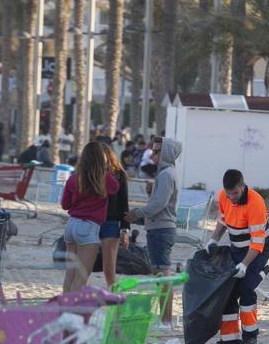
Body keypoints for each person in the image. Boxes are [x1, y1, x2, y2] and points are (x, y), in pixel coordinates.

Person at [204, 169, 269, 344]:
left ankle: (250, 337)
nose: (231, 198)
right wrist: (213, 240)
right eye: (228, 194)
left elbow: (257, 243)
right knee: (228, 290)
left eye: (234, 193)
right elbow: (223, 221)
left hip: (259, 249)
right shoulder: (223, 196)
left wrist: (244, 265)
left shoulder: (256, 203)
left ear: (242, 187)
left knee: (246, 289)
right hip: (237, 247)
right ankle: (229, 339)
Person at [127, 137, 183, 327]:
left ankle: (166, 320)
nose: (152, 154)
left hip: (161, 229)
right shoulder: (165, 173)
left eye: (157, 151)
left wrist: (136, 213)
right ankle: (164, 319)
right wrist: (151, 192)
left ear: (166, 153)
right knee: (161, 275)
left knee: (163, 275)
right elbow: (158, 201)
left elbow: (158, 205)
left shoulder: (166, 174)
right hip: (159, 228)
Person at [60, 140, 120, 294]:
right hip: (89, 227)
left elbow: (65, 204)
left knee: (69, 275)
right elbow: (115, 188)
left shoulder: (74, 178)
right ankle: (72, 307)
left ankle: (64, 305)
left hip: (71, 225)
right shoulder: (105, 178)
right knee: (81, 277)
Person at [99, 143, 131, 288]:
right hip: (92, 222)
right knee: (84, 267)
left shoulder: (119, 175)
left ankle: (114, 297)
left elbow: (124, 203)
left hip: (111, 222)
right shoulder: (91, 173)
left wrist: (125, 229)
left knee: (109, 269)